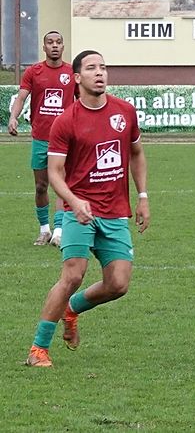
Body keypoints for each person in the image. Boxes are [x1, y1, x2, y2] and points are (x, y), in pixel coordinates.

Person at [24, 50, 149, 367]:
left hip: (115, 212)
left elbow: (136, 153)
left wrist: (143, 196)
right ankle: (38, 350)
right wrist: (74, 200)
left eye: (103, 67)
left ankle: (72, 309)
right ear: (77, 77)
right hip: (78, 212)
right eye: (92, 68)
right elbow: (55, 172)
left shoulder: (124, 112)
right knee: (72, 275)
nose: (100, 72)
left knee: (118, 284)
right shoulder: (66, 121)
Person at [7, 31, 76, 247]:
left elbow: (83, 101)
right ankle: (44, 230)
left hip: (64, 140)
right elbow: (21, 97)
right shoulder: (33, 71)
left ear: (63, 47)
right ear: (44, 47)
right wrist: (13, 117)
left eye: (58, 42)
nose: (54, 45)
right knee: (40, 186)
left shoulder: (72, 72)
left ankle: (59, 231)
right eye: (50, 42)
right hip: (40, 138)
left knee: (61, 184)